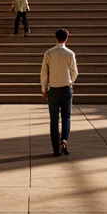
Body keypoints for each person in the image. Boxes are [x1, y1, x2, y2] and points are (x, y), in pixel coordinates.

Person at [41, 28, 79, 157]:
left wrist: (44, 89)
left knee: (53, 119)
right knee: (66, 116)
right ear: (67, 38)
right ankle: (64, 140)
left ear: (55, 37)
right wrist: (70, 82)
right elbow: (75, 72)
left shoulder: (49, 53)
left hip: (53, 89)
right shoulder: (70, 53)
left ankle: (55, 149)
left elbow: (44, 73)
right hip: (66, 88)